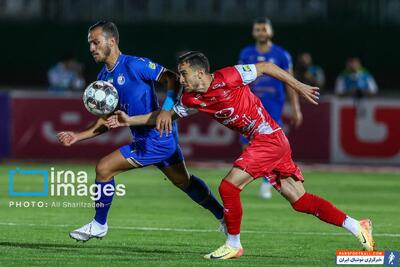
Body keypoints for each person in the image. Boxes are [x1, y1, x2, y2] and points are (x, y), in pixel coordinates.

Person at [107, 52, 376, 259]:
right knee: (300, 200)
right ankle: (357, 226)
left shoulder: (229, 77)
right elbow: (165, 115)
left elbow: (267, 68)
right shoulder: (192, 99)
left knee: (228, 186)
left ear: (202, 72)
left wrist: (298, 86)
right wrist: (129, 119)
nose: (181, 79)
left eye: (185, 73)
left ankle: (233, 244)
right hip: (269, 142)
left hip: (269, 138)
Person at [56, 22, 225, 242]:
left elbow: (172, 78)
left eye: (96, 42)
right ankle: (224, 217)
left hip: (157, 138)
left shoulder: (135, 65)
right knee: (184, 181)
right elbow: (107, 120)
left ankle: (99, 224)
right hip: (152, 137)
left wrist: (166, 110)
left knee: (104, 168)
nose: (92, 48)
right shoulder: (102, 78)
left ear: (112, 41)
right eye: (90, 43)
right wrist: (78, 136)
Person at [238, 17, 302, 199]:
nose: (261, 33)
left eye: (264, 29)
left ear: (270, 31)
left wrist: (296, 108)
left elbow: (290, 83)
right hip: (250, 107)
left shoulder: (282, 55)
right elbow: (240, 80)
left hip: (273, 107)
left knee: (270, 147)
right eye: (258, 29)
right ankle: (264, 178)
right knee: (247, 147)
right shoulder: (246, 53)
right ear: (253, 32)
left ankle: (267, 183)